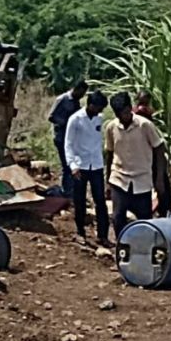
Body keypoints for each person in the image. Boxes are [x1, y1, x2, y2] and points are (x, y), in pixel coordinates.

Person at [104, 92, 170, 239]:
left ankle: (143, 249)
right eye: (121, 114)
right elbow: (109, 154)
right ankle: (122, 247)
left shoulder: (145, 125)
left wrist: (159, 179)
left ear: (131, 108)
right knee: (118, 218)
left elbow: (159, 149)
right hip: (119, 179)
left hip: (142, 181)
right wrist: (107, 181)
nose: (125, 116)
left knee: (144, 220)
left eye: (127, 112)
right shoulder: (111, 128)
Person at [64, 90, 110, 247]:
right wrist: (73, 165)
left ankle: (103, 235)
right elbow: (68, 144)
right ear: (91, 105)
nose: (100, 111)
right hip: (80, 165)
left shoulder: (99, 119)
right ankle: (80, 232)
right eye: (98, 107)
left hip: (96, 165)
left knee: (100, 201)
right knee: (80, 200)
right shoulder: (75, 119)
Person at [48, 80, 88, 196]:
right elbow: (51, 117)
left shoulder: (76, 102)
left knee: (73, 164)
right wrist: (67, 123)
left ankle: (70, 190)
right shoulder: (62, 99)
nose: (82, 95)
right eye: (82, 92)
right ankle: (66, 191)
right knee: (67, 165)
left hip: (72, 138)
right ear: (76, 89)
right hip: (61, 137)